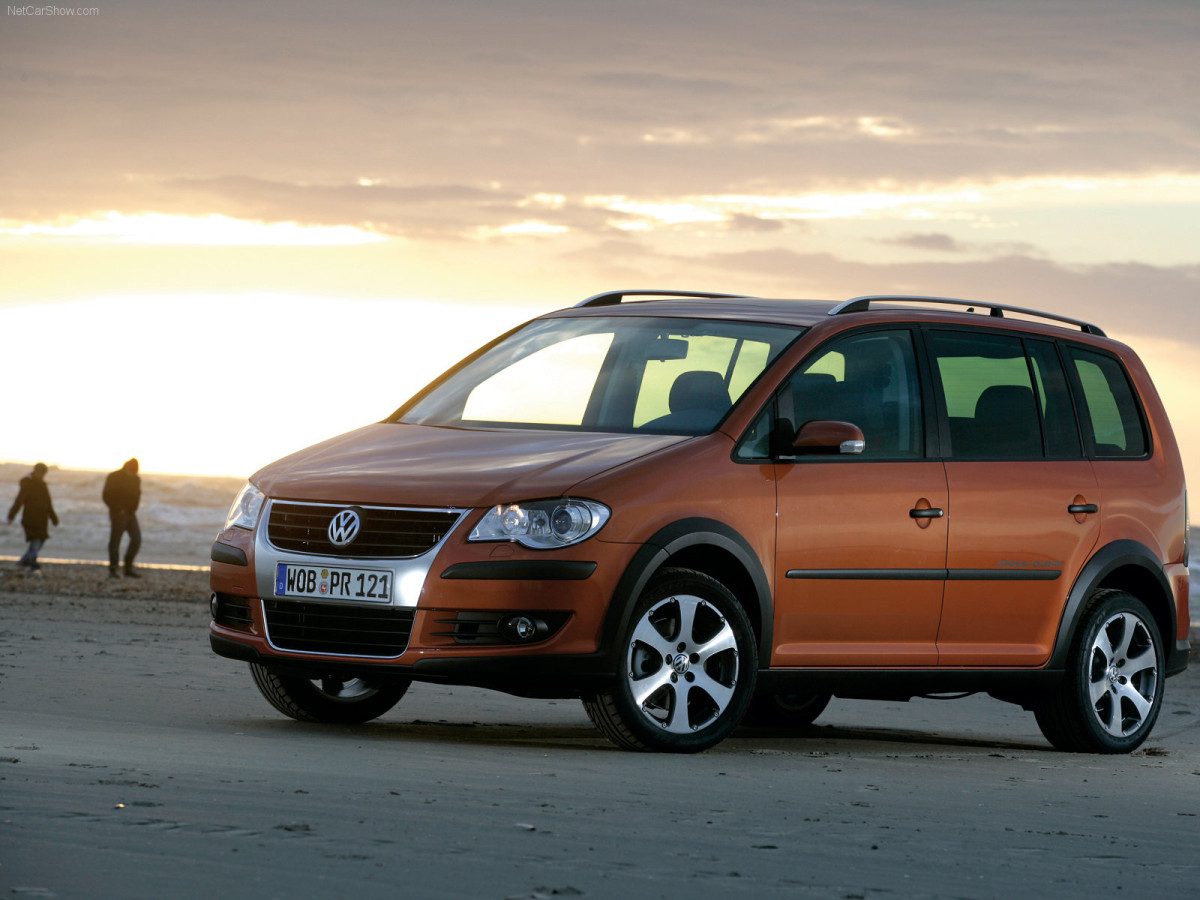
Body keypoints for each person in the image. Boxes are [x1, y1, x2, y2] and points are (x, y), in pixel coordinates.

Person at [6, 462, 59, 573]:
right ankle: (32, 559)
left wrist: (53, 518)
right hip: (30, 517)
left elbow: (48, 503)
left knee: (41, 538)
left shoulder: (43, 485)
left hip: (42, 518)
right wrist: (12, 515)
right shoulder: (27, 484)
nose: (42, 475)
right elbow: (19, 500)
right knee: (36, 538)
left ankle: (25, 560)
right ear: (36, 471)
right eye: (41, 472)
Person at [103, 458, 142, 578]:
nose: (133, 474)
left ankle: (128, 567)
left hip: (130, 513)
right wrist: (117, 509)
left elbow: (137, 495)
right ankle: (113, 569)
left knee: (136, 539)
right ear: (127, 468)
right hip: (117, 514)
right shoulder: (114, 476)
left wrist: (133, 509)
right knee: (115, 541)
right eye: (132, 471)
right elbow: (106, 495)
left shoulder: (136, 479)